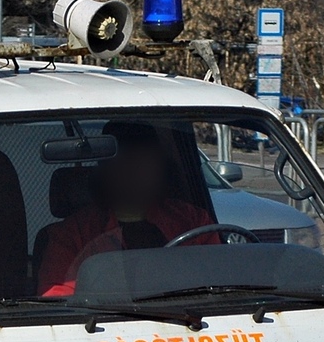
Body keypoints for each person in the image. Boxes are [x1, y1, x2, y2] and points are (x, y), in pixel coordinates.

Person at [38, 121, 217, 297]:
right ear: (104, 170)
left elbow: (223, 286)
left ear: (161, 169)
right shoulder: (71, 235)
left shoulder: (194, 222)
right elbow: (60, 306)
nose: (133, 174)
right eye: (123, 162)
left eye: (142, 162)